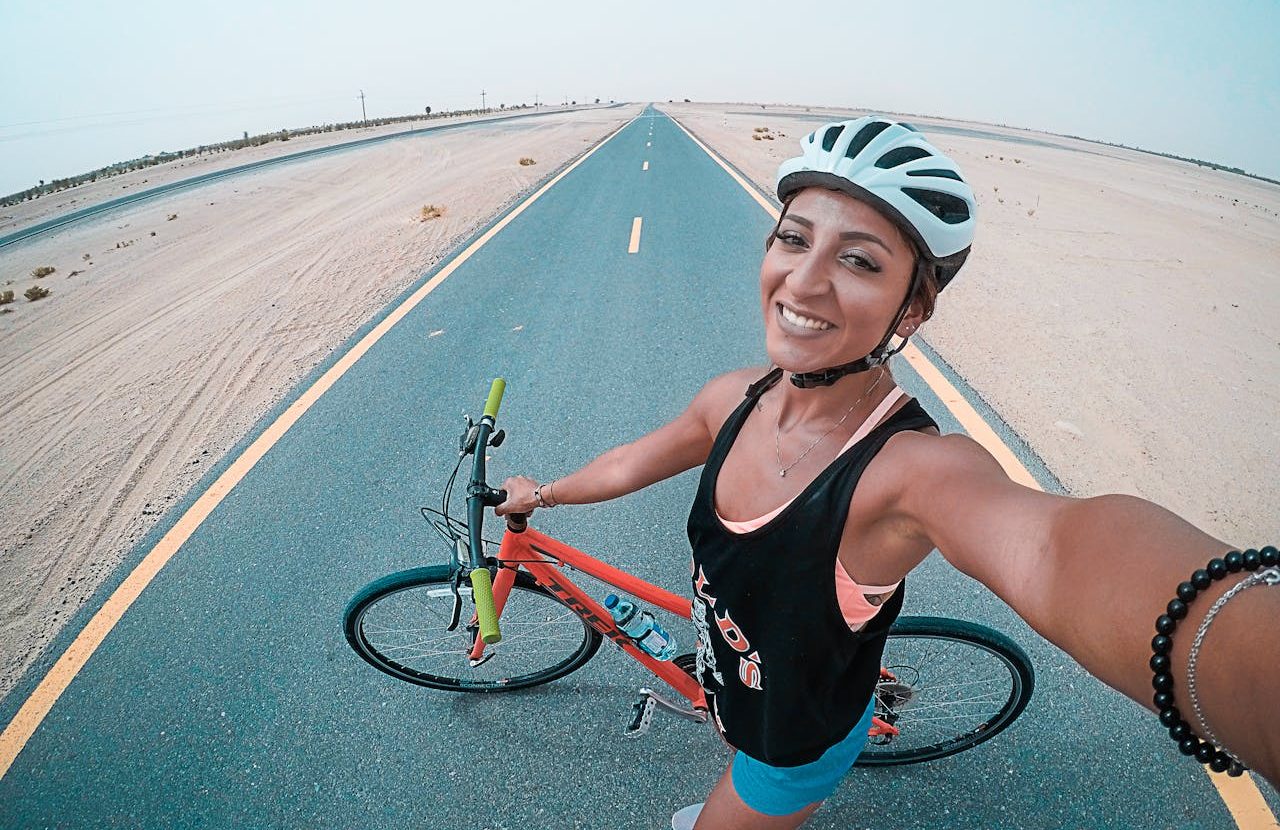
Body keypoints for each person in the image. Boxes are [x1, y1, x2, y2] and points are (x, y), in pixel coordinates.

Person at [495, 117, 1279, 829]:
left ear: (910, 311)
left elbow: (1057, 551)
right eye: (794, 239)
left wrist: (1247, 653)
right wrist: (545, 494)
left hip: (786, 750)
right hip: (747, 685)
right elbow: (633, 459)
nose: (804, 282)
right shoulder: (731, 399)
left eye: (859, 260)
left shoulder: (911, 472)